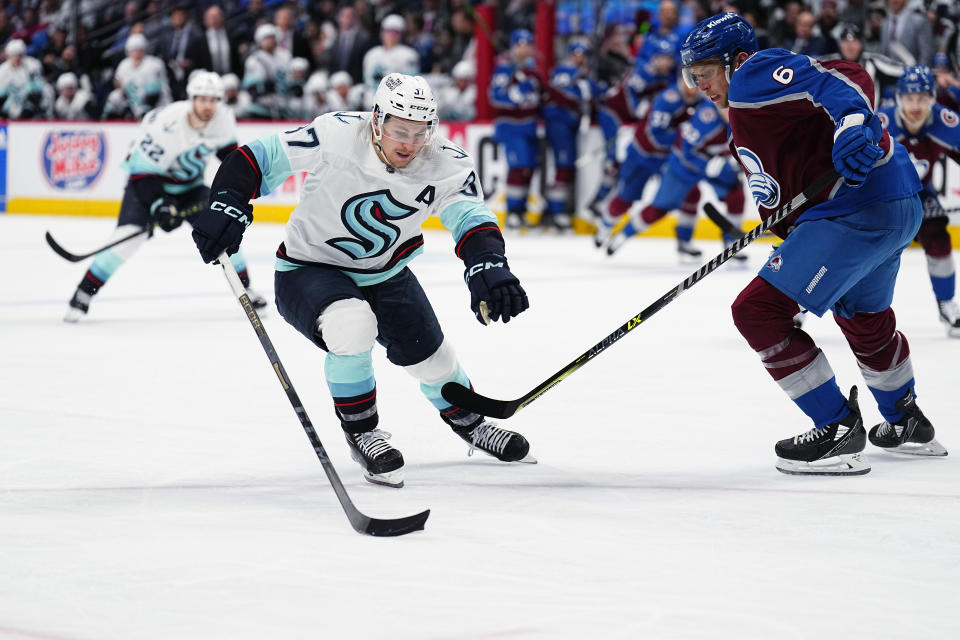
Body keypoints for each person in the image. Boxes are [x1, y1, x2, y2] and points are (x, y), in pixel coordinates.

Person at [189, 73, 534, 488]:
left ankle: (472, 424)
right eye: (399, 129)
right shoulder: (336, 134)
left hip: (386, 274)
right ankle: (363, 432)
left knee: (435, 361)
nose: (408, 142)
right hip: (308, 269)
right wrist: (227, 201)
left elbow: (470, 216)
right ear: (377, 120)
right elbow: (255, 158)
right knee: (352, 325)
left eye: (419, 132)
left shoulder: (447, 161)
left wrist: (487, 264)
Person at [680, 12, 947, 475]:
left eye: (704, 73)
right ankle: (906, 422)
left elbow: (846, 80)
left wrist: (851, 123)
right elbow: (850, 79)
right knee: (863, 317)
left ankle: (836, 427)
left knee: (757, 311)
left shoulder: (752, 75)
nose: (699, 85)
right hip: (893, 205)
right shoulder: (750, 112)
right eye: (692, 76)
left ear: (735, 60)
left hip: (857, 209)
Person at [65, 72, 267, 322]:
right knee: (126, 239)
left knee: (223, 229)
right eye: (202, 99)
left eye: (214, 100)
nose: (208, 106)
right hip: (147, 184)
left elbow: (229, 156)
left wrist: (239, 184)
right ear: (192, 99)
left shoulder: (223, 119)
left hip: (190, 188)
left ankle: (245, 288)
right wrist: (161, 205)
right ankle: (83, 293)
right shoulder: (168, 123)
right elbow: (141, 173)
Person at [604, 94, 745, 260]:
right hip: (683, 167)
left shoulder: (741, 118)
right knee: (659, 209)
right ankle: (623, 235)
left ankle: (731, 244)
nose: (730, 112)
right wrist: (708, 165)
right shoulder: (706, 119)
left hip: (716, 165)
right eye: (727, 107)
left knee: (736, 197)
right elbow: (687, 152)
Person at [878, 66, 960, 336]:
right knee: (850, 245)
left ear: (933, 98)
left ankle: (947, 305)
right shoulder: (880, 124)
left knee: (938, 236)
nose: (916, 105)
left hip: (919, 193)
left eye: (923, 98)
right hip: (876, 195)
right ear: (898, 98)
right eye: (910, 98)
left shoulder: (946, 123)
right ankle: (804, 306)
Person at [489, 29, 545, 231]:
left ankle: (521, 211)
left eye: (528, 44)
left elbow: (541, 96)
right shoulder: (504, 70)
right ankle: (512, 212)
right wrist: (517, 93)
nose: (525, 48)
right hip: (511, 126)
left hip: (530, 125)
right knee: (519, 166)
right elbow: (495, 97)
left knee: (529, 168)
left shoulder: (533, 71)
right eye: (520, 44)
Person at [541, 40, 596, 232]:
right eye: (577, 53)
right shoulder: (566, 72)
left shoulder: (582, 74)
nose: (579, 57)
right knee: (563, 166)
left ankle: (553, 210)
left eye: (583, 54)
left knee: (565, 167)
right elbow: (564, 96)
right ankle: (556, 213)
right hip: (559, 124)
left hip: (567, 125)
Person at [361, 14, 419, 109]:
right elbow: (366, 81)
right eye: (387, 31)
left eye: (394, 32)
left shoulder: (408, 55)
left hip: (395, 103)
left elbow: (411, 84)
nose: (390, 36)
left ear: (401, 34)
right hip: (371, 101)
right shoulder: (371, 54)